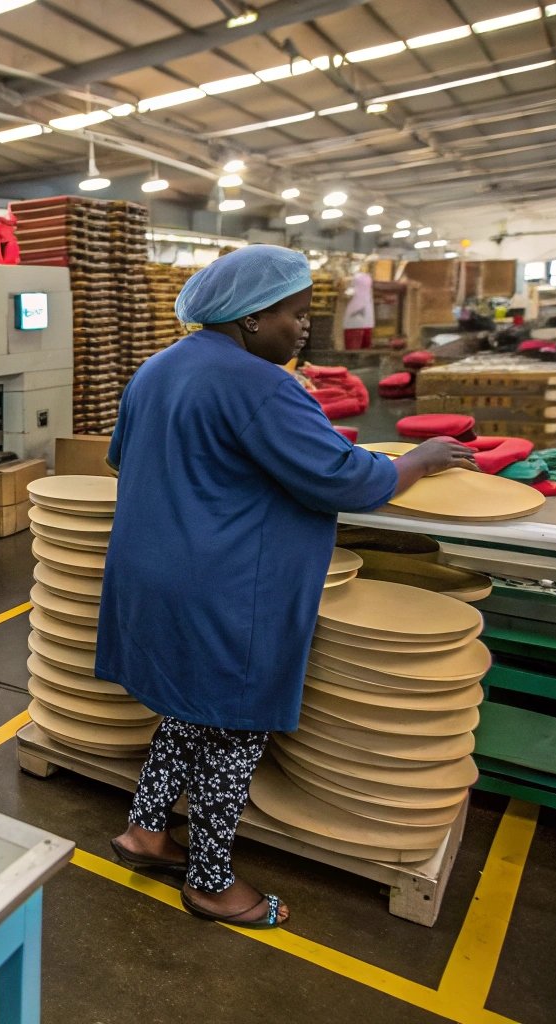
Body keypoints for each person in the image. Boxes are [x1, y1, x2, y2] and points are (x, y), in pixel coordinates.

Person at [96, 245, 476, 929]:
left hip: (152, 575)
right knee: (236, 730)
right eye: (295, 314)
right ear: (249, 318)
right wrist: (419, 458)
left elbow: (124, 457)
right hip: (224, 587)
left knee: (189, 709)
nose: (304, 328)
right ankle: (210, 883)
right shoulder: (259, 384)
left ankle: (146, 832)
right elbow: (346, 479)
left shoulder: (156, 369)